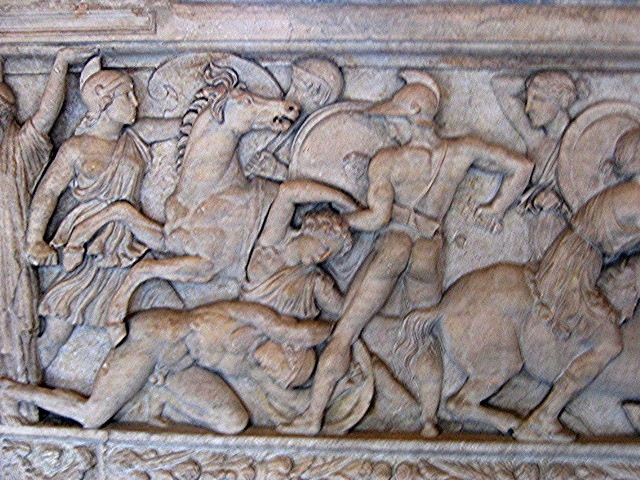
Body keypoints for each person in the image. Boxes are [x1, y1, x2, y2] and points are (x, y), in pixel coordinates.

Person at [280, 69, 533, 434]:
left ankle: (312, 418)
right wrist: (495, 208)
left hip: (395, 245)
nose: (390, 123)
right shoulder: (461, 150)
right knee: (424, 335)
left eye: (394, 115)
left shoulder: (388, 160)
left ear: (411, 115)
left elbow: (377, 218)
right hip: (428, 250)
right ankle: (429, 422)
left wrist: (341, 219)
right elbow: (522, 166)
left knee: (345, 332)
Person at [25, 56, 180, 368]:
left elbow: (183, 125)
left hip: (128, 246)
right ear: (103, 101)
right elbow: (48, 192)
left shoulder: (136, 136)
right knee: (56, 333)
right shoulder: (76, 148)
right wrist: (34, 240)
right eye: (127, 95)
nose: (135, 101)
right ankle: (23, 382)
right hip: (87, 249)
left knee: (173, 307)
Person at [0, 301, 332, 432]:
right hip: (153, 341)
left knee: (233, 421)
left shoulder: (250, 368)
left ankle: (157, 397)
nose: (273, 372)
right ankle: (13, 389)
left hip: (175, 370)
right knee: (92, 416)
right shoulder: (259, 320)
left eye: (279, 378)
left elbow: (285, 399)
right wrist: (346, 329)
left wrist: (317, 409)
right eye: (283, 368)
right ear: (289, 348)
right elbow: (302, 332)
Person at [514, 126, 640, 440]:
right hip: (574, 269)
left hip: (577, 259)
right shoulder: (635, 198)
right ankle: (544, 416)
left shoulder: (628, 192)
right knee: (609, 344)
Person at [0, 47, 95, 424]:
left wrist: (60, 64)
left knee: (16, 322)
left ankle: (17, 401)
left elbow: (45, 116)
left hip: (9, 257)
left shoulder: (16, 150)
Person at [492, 70, 587, 258]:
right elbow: (499, 85)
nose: (528, 108)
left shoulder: (585, 144)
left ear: (563, 102)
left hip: (570, 242)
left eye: (538, 99)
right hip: (535, 236)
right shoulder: (535, 140)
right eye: (528, 99)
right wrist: (534, 81)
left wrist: (560, 201)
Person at [243, 180, 356, 320]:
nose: (322, 257)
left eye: (329, 256)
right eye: (325, 247)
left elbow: (345, 312)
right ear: (310, 229)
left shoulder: (315, 281)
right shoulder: (275, 241)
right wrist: (340, 199)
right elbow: (287, 192)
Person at [245, 57, 344, 181]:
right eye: (292, 85)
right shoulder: (274, 118)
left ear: (318, 95)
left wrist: (277, 171)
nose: (289, 94)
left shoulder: (319, 138)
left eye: (297, 88)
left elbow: (316, 185)